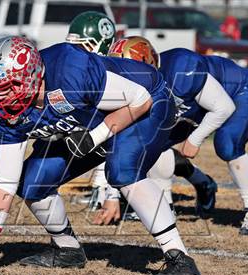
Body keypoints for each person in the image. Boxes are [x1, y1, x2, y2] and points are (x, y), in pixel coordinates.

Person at [0, 35, 202, 275]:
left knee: (123, 171)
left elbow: (140, 99)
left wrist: (95, 138)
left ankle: (180, 260)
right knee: (32, 184)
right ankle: (67, 250)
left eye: (9, 87)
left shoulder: (71, 72)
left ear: (33, 74)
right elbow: (4, 182)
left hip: (148, 102)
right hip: (87, 123)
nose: (1, 98)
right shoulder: (2, 114)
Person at [107, 36, 248, 235]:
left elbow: (224, 107)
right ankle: (170, 204)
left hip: (241, 91)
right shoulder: (145, 85)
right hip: (198, 105)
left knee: (227, 144)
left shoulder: (180, 68)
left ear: (147, 63)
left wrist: (195, 139)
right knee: (156, 143)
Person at [65, 12, 217, 222]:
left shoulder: (139, 74)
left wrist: (109, 195)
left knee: (145, 151)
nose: (75, 52)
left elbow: (112, 138)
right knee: (139, 149)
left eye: (83, 45)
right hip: (149, 115)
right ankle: (199, 182)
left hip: (177, 113)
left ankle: (165, 207)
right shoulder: (97, 68)